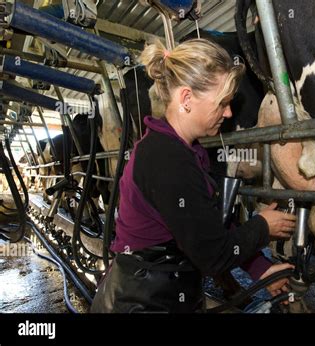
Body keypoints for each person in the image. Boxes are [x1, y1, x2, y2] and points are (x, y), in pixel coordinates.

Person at [90, 38, 296, 313]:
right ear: (186, 99)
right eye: (222, 103)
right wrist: (262, 227)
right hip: (144, 302)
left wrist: (260, 268)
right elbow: (213, 255)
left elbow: (209, 224)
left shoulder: (182, 150)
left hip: (160, 292)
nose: (229, 112)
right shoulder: (167, 158)